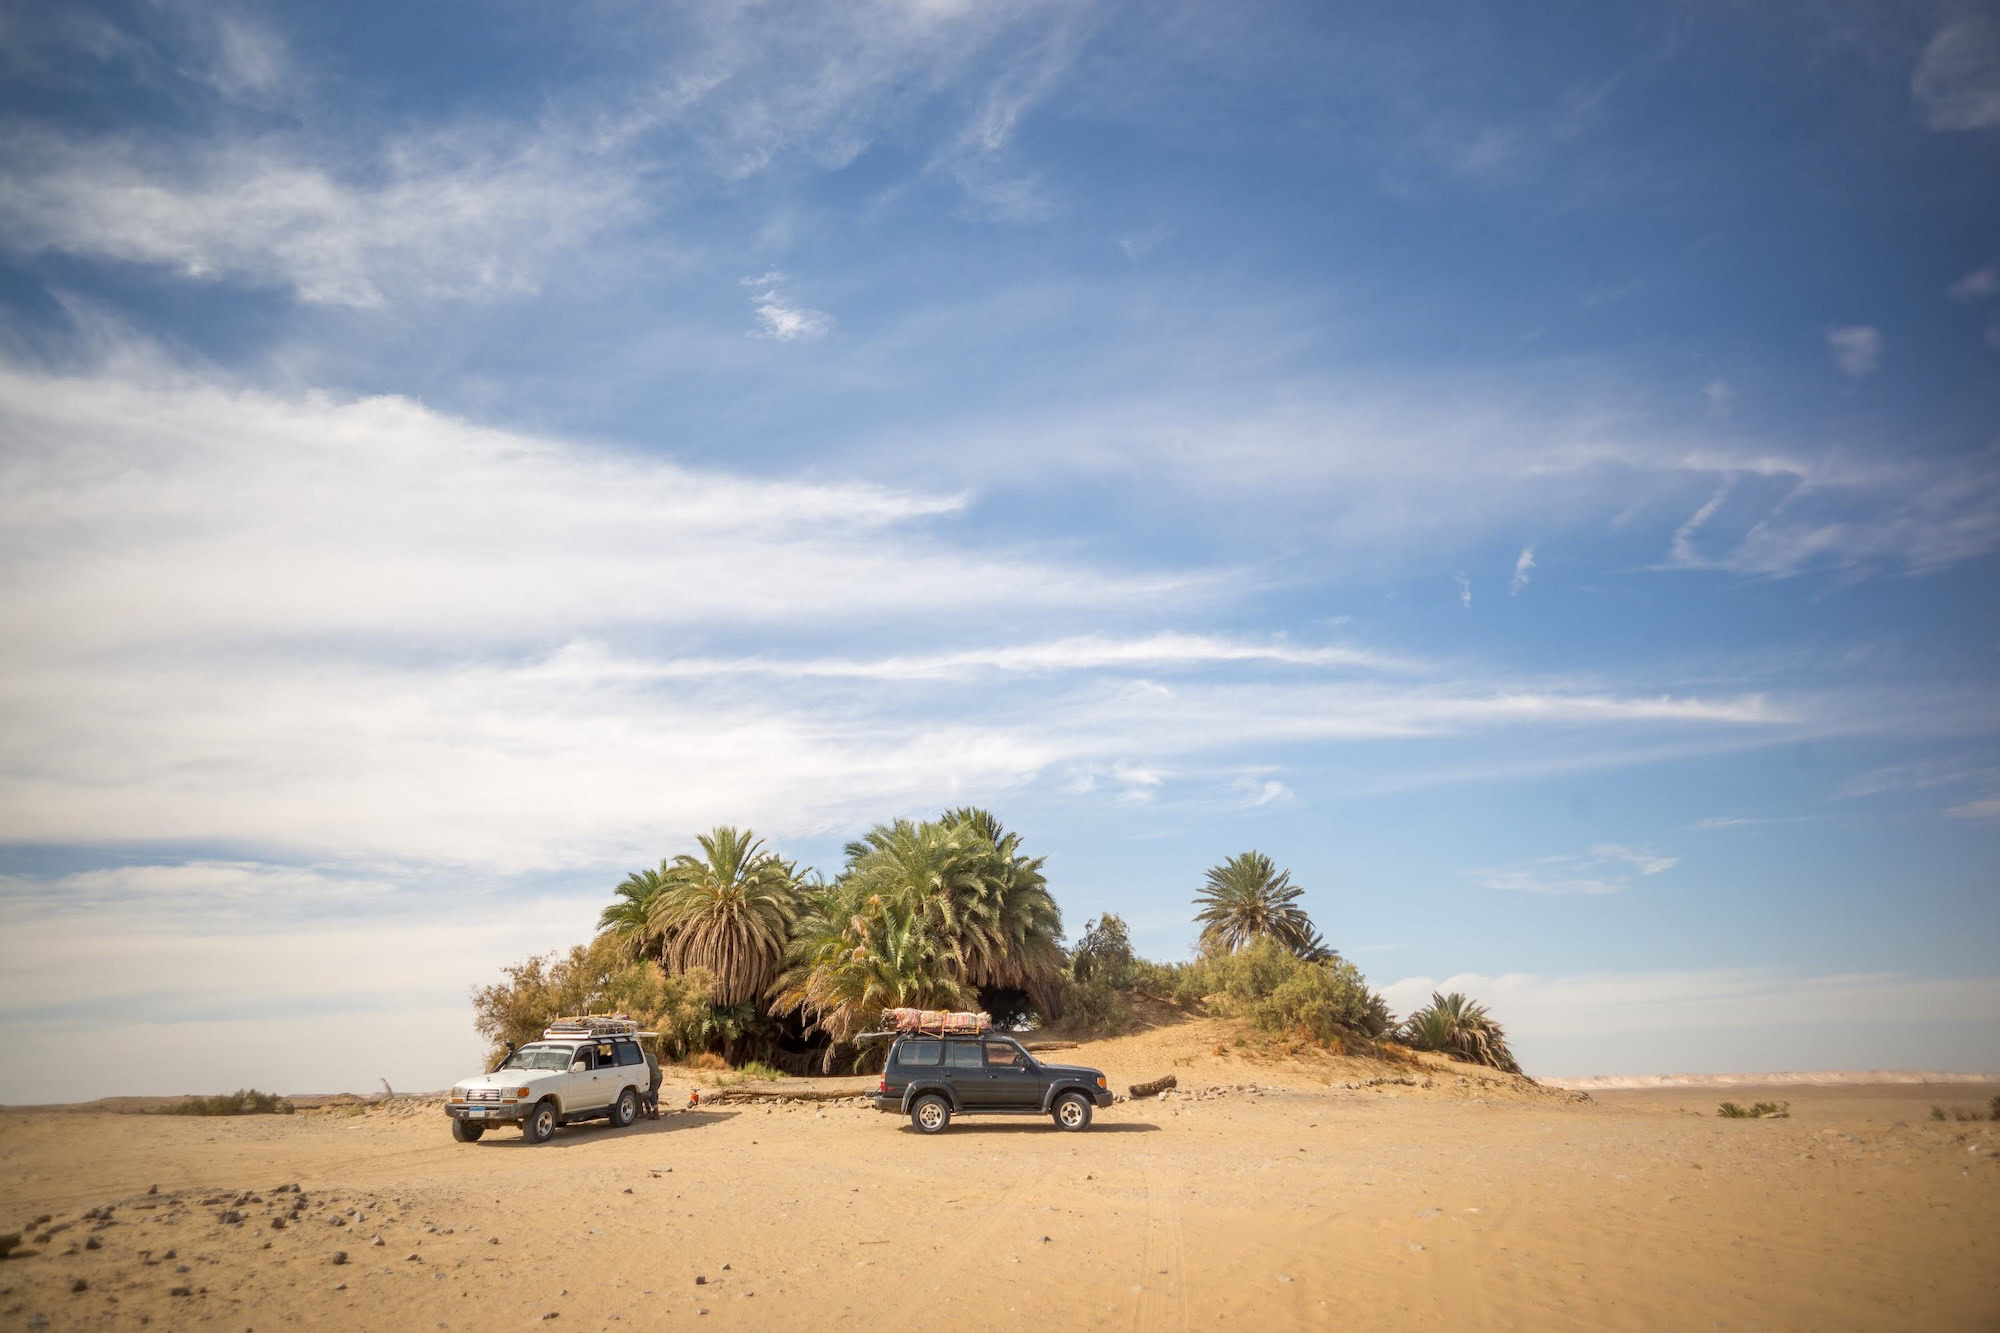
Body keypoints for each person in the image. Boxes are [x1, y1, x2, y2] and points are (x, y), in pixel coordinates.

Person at [642, 1043, 663, 1120]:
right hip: (659, 1076)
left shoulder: (642, 1060)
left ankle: (656, 1114)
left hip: (653, 1078)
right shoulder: (652, 1056)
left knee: (651, 1094)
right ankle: (649, 1111)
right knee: (650, 1093)